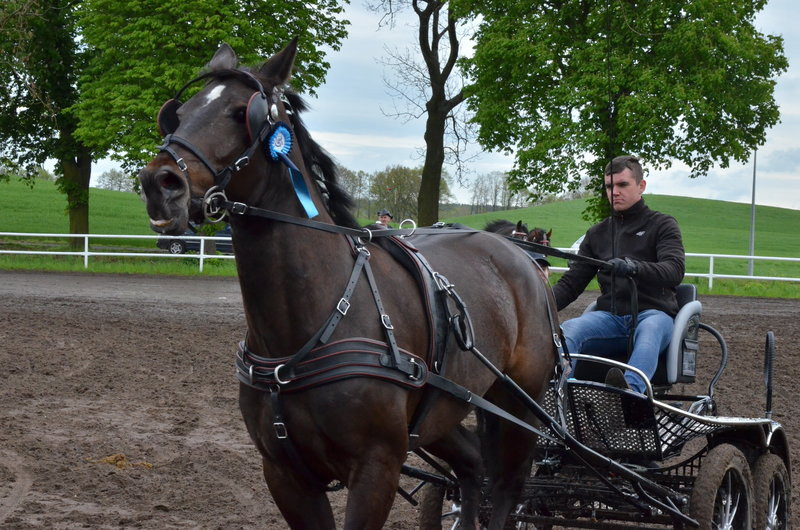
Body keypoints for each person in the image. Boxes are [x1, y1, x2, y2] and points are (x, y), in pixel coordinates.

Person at [552, 155, 685, 393]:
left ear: (641, 186)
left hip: (654, 315)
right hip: (609, 318)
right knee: (568, 330)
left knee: (649, 333)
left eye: (622, 185)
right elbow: (571, 284)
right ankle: (560, 390)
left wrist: (633, 267)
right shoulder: (596, 233)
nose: (614, 192)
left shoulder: (663, 224)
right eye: (609, 186)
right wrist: (539, 306)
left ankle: (628, 396)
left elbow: (674, 270)